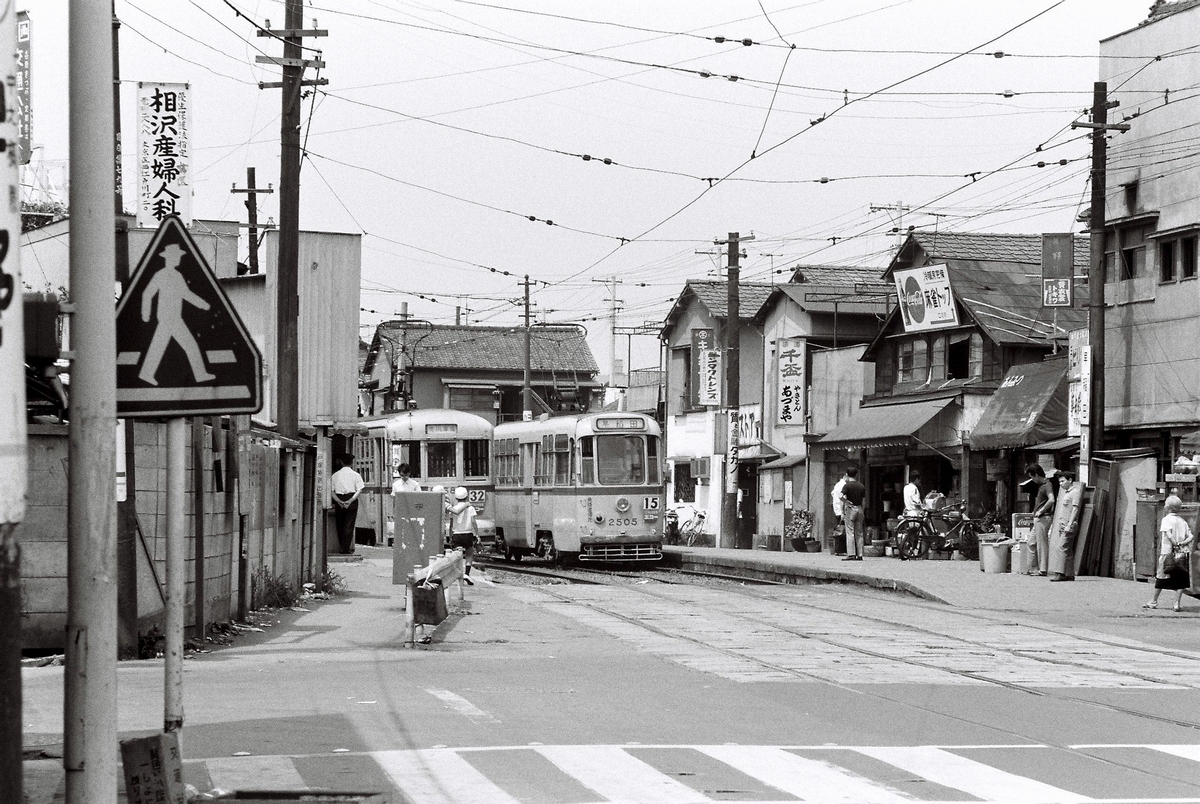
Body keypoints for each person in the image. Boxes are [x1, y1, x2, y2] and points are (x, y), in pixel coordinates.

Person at [1145, 495, 1195, 612]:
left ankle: (1154, 601)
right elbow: (1191, 536)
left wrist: (1175, 544)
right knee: (1180, 579)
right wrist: (1182, 544)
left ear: (1167, 507)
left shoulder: (1166, 519)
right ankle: (1177, 603)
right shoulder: (1182, 521)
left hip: (1168, 553)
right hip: (1182, 554)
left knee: (1161, 576)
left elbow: (1169, 534)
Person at [1048, 471, 1082, 582]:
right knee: (1068, 550)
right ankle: (1069, 574)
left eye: (1063, 481)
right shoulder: (1066, 493)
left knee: (1061, 548)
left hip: (1069, 525)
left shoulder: (1075, 492)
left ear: (1070, 480)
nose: (1061, 484)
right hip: (1063, 524)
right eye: (1060, 482)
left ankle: (1060, 573)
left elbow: (1075, 509)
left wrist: (1070, 524)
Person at [330, 453, 365, 555]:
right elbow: (359, 490)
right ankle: (345, 548)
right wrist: (350, 501)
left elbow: (331, 491)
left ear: (341, 462)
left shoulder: (335, 475)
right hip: (352, 499)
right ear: (351, 463)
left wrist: (338, 501)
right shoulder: (356, 475)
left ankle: (342, 547)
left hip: (339, 499)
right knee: (349, 525)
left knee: (340, 525)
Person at [1025, 465, 1056, 577]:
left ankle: (1042, 569)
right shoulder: (1042, 486)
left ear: (1037, 475)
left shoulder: (1047, 485)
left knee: (1041, 544)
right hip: (1039, 518)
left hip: (1043, 518)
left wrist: (1041, 511)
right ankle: (1033, 568)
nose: (1032, 480)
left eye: (1032, 477)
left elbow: (1052, 499)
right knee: (1031, 542)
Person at [449, 487, 479, 585]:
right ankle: (467, 573)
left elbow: (451, 524)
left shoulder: (453, 508)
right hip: (468, 534)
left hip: (456, 534)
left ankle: (458, 574)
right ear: (466, 497)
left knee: (458, 555)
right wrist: (477, 535)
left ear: (456, 498)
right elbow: (473, 522)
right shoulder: (470, 508)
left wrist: (450, 536)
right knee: (469, 554)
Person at [840, 466, 867, 561]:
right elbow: (864, 501)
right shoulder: (861, 486)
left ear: (847, 475)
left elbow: (840, 496)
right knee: (859, 532)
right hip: (859, 508)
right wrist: (862, 510)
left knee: (850, 531)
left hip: (851, 509)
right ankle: (860, 554)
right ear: (856, 475)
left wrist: (846, 501)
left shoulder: (847, 486)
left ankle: (851, 554)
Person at [830, 470, 848, 554]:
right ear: (846, 475)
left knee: (839, 530)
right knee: (842, 531)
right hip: (841, 510)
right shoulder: (843, 485)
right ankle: (841, 550)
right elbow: (842, 499)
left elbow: (832, 493)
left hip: (836, 509)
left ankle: (837, 550)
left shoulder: (837, 484)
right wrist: (843, 512)